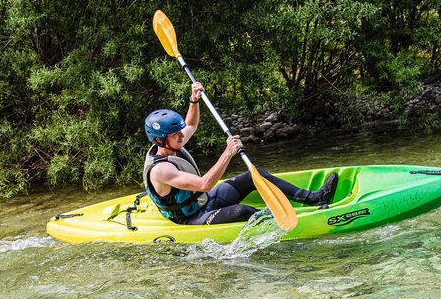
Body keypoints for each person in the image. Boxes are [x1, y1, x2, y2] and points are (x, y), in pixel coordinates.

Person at [143, 82, 338, 225]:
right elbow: (204, 184)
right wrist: (228, 152)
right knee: (242, 211)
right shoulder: (161, 170)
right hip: (192, 218)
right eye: (175, 134)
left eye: (179, 131)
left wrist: (193, 101)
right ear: (160, 139)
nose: (181, 136)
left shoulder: (172, 143)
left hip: (205, 201)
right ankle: (288, 224)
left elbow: (192, 124)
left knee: (254, 175)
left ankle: (315, 198)